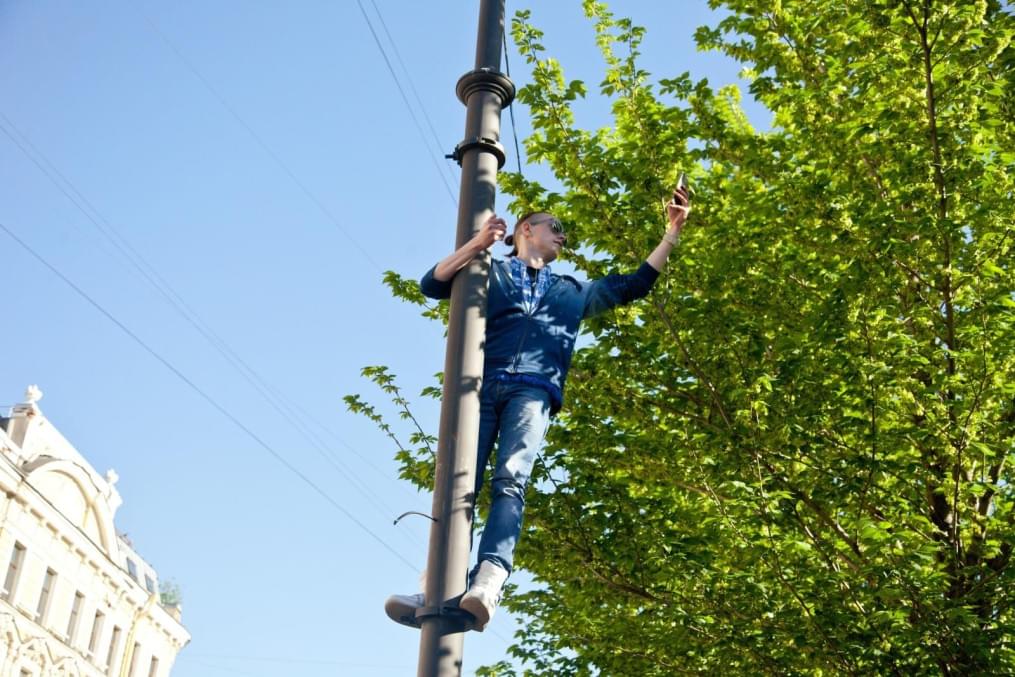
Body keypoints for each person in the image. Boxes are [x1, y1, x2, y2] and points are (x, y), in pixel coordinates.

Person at [385, 185, 691, 631]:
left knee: (510, 478)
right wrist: (476, 245)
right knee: (457, 483)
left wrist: (672, 233)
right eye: (556, 227)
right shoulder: (489, 271)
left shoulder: (572, 291)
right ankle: (437, 586)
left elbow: (633, 286)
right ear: (526, 229)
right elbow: (431, 284)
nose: (562, 237)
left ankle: (488, 580)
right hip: (480, 386)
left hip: (532, 390)